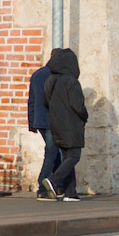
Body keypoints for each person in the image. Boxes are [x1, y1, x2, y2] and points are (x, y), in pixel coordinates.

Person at [40, 48, 88, 202]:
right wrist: (84, 116)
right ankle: (54, 180)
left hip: (56, 122)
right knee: (74, 155)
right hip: (71, 123)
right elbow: (78, 105)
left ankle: (70, 192)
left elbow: (46, 101)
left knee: (67, 156)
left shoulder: (51, 80)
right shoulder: (71, 81)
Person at [27, 51, 62, 199]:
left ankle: (58, 185)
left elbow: (31, 100)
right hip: (52, 120)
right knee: (51, 153)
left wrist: (32, 121)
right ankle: (43, 187)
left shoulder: (37, 75)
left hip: (40, 120)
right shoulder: (57, 76)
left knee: (56, 153)